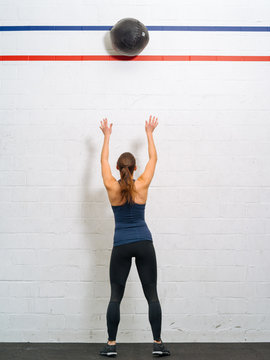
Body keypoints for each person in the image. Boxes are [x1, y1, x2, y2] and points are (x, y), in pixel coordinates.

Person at [99, 115, 170, 357]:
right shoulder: (142, 184)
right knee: (152, 295)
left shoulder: (111, 185)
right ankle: (158, 344)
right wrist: (150, 133)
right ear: (134, 169)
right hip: (144, 243)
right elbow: (154, 159)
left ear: (118, 169)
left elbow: (103, 160)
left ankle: (111, 345)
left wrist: (106, 136)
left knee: (115, 297)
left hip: (121, 245)